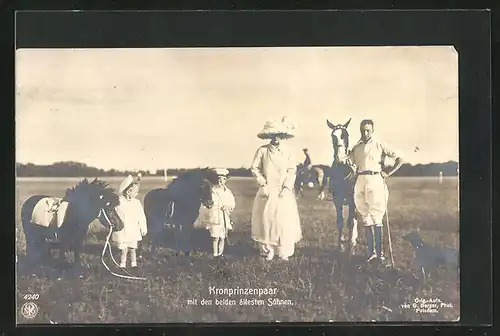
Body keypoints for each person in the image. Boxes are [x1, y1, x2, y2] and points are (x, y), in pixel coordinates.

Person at [349, 119, 404, 263]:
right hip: (360, 180)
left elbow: (400, 158)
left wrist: (388, 172)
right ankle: (371, 253)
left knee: (377, 217)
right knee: (365, 218)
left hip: (375, 179)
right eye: (362, 130)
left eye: (368, 130)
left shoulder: (379, 144)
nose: (365, 133)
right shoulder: (356, 147)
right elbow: (350, 164)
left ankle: (380, 254)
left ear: (373, 130)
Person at [250, 116, 302, 261]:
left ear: (283, 136)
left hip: (283, 190)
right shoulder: (262, 151)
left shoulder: (289, 151)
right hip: (268, 189)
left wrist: (286, 187)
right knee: (267, 220)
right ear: (268, 136)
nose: (275, 138)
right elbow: (255, 168)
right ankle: (268, 250)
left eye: (278, 135)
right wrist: (262, 183)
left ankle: (283, 251)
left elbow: (292, 170)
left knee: (284, 220)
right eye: (272, 135)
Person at [112, 174, 148, 268]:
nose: (137, 193)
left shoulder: (136, 203)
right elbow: (113, 213)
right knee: (123, 250)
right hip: (123, 231)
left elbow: (141, 216)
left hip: (133, 231)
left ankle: (134, 264)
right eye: (135, 192)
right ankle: (122, 264)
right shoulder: (119, 202)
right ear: (128, 192)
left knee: (133, 248)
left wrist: (143, 228)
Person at [204, 168, 235, 258]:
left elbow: (232, 202)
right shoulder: (213, 191)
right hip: (215, 217)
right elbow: (209, 202)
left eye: (223, 179)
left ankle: (220, 253)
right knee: (215, 237)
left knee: (222, 237)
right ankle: (215, 254)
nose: (220, 181)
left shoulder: (228, 192)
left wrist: (227, 207)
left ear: (225, 180)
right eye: (219, 179)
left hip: (224, 216)